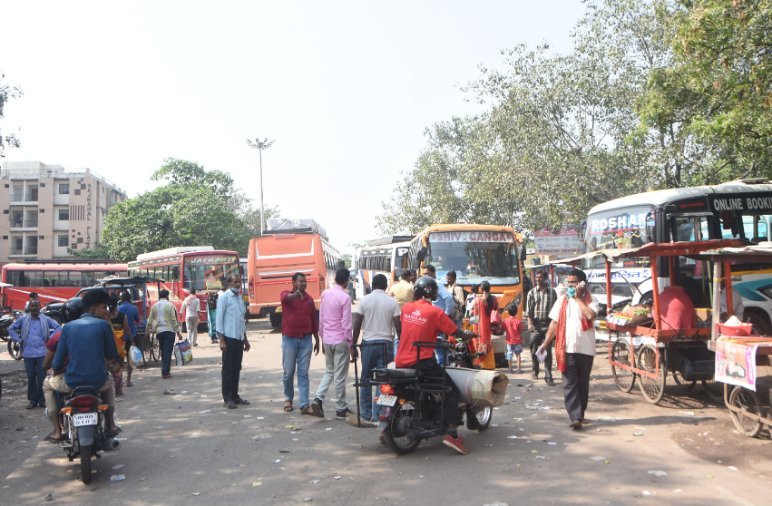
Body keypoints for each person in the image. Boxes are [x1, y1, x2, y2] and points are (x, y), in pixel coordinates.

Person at [397, 276, 475, 454]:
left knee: (424, 388)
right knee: (451, 391)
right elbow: (456, 332)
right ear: (432, 293)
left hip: (401, 360)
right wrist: (469, 335)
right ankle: (453, 435)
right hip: (422, 361)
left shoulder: (406, 309)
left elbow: (412, 329)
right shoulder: (435, 312)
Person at [48, 289, 120, 440]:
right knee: (111, 382)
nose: (106, 311)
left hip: (72, 383)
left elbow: (57, 361)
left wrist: (54, 370)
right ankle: (110, 424)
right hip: (98, 382)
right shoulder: (103, 326)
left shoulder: (67, 327)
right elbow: (112, 355)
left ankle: (56, 429)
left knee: (46, 385)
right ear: (93, 308)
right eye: (103, 307)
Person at [538, 269, 599, 430]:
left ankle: (580, 413)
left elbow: (590, 315)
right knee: (570, 383)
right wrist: (545, 344)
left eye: (574, 282)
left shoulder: (591, 299)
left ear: (582, 284)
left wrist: (578, 298)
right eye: (569, 282)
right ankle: (575, 416)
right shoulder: (562, 300)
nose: (571, 285)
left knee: (582, 383)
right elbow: (554, 323)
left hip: (586, 349)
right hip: (566, 348)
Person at [352, 273, 401, 423]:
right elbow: (399, 327)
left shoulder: (364, 300)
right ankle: (379, 412)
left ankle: (366, 413)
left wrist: (353, 345)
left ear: (372, 285)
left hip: (368, 343)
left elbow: (357, 323)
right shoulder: (392, 302)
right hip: (386, 344)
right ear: (386, 286)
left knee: (365, 378)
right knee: (384, 379)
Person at [311, 269, 353, 419]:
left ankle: (318, 398)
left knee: (329, 371)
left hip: (328, 339)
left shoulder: (325, 294)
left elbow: (321, 318)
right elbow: (346, 323)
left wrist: (322, 338)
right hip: (341, 339)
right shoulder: (345, 297)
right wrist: (351, 343)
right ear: (347, 280)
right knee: (340, 376)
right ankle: (341, 408)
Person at [9, 299, 61, 409]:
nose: (35, 308)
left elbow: (58, 328)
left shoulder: (45, 319)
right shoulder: (23, 319)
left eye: (37, 306)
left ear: (40, 307)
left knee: (42, 377)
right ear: (30, 308)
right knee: (31, 376)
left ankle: (42, 400)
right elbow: (11, 329)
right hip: (28, 353)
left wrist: (50, 339)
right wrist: (18, 340)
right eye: (33, 306)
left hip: (42, 352)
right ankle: (33, 400)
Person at [280, 273, 320, 414]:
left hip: (306, 339)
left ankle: (304, 404)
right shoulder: (287, 295)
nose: (303, 284)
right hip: (289, 339)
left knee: (303, 373)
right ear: (293, 282)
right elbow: (284, 298)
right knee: (289, 372)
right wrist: (294, 296)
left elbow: (314, 321)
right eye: (300, 281)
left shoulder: (309, 300)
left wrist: (317, 339)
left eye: (305, 281)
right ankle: (288, 398)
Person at [216, 274, 250, 409]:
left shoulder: (240, 298)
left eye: (239, 282)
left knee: (237, 368)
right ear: (229, 283)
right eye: (235, 282)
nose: (238, 284)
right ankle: (227, 398)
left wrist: (246, 339)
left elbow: (242, 320)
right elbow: (219, 319)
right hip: (228, 338)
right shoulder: (224, 297)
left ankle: (235, 396)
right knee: (228, 369)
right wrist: (221, 340)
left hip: (239, 338)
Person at [526, 270, 558, 386]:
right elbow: (528, 311)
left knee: (547, 350)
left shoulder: (552, 292)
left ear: (546, 279)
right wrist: (530, 324)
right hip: (536, 325)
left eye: (540, 278)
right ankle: (535, 370)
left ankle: (548, 375)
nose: (538, 280)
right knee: (533, 348)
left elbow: (556, 310)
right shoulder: (531, 293)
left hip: (549, 325)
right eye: (536, 278)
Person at [146, 289, 183, 379]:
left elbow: (150, 320)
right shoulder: (170, 305)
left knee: (163, 351)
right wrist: (178, 333)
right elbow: (174, 320)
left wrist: (147, 331)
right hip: (169, 331)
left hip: (159, 332)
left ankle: (165, 370)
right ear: (167, 296)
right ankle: (165, 372)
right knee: (167, 351)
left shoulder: (154, 306)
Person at [422, 264, 455, 365]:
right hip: (431, 321)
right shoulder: (428, 285)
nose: (425, 276)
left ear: (433, 273)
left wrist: (446, 315)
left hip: (438, 321)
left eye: (427, 274)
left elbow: (449, 298)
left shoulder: (436, 284)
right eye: (423, 274)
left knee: (440, 348)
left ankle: (442, 372)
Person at [107, 295, 130, 396]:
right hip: (119, 345)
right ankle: (119, 390)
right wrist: (132, 340)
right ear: (117, 304)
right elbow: (127, 329)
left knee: (108, 366)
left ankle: (109, 390)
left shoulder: (105, 316)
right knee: (118, 366)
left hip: (107, 344)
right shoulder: (122, 316)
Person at [471, 282, 498, 370]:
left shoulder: (477, 300)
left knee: (479, 343)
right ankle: (490, 365)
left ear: (481, 289)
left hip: (479, 326)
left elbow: (474, 316)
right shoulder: (494, 299)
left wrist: (472, 326)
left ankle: (482, 364)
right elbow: (496, 312)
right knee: (488, 342)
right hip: (488, 326)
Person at [117, 291, 139, 387]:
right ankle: (128, 380)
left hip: (119, 339)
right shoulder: (134, 308)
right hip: (131, 337)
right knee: (130, 359)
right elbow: (137, 320)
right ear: (130, 299)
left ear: (121, 299)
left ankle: (119, 380)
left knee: (120, 360)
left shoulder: (117, 309)